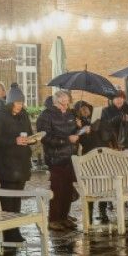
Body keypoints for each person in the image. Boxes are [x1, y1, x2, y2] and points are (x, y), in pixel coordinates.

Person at [0, 87, 38, 243]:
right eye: (17, 102)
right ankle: (7, 231)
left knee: (17, 197)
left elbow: (29, 133)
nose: (20, 105)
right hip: (5, 162)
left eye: (21, 102)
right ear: (10, 102)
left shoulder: (24, 115)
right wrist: (13, 141)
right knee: (7, 198)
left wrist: (32, 139)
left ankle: (15, 230)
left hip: (21, 162)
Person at [36, 89, 86, 230]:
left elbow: (74, 134)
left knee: (68, 189)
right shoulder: (46, 116)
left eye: (67, 103)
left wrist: (79, 129)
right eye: (62, 103)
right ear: (55, 102)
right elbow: (44, 137)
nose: (65, 106)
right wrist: (66, 140)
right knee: (57, 190)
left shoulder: (71, 114)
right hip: (55, 157)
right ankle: (53, 219)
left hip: (71, 157)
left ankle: (64, 217)